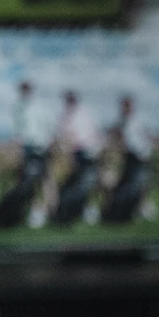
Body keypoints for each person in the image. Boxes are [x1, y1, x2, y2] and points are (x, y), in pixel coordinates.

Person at [0, 80, 55, 229]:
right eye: (23, 89)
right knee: (28, 181)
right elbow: (18, 130)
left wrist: (48, 143)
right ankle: (35, 211)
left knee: (45, 180)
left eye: (27, 89)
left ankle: (51, 210)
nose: (25, 92)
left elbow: (49, 126)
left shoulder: (41, 107)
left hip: (43, 148)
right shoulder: (18, 107)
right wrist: (17, 146)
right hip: (28, 150)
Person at [49, 89, 104, 225]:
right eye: (67, 99)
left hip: (88, 154)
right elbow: (64, 137)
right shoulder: (63, 117)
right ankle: (72, 211)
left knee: (87, 184)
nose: (69, 102)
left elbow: (93, 133)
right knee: (75, 185)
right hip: (74, 156)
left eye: (71, 99)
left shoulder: (85, 114)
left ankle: (88, 209)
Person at [101, 95, 155, 224]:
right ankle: (124, 212)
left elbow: (147, 137)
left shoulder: (138, 120)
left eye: (127, 105)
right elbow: (116, 133)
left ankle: (139, 210)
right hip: (129, 158)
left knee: (137, 186)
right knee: (129, 186)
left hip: (140, 157)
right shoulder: (122, 121)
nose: (125, 108)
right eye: (124, 105)